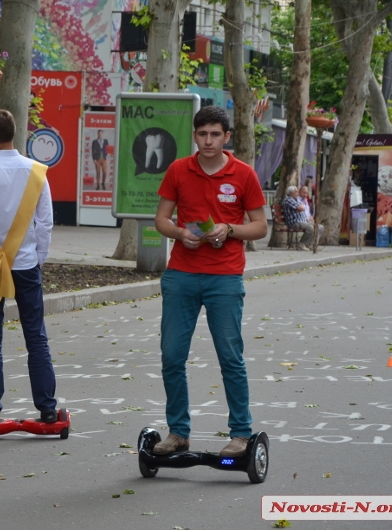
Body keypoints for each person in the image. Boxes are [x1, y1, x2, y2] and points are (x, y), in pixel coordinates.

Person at [153, 106, 267, 458]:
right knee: (172, 356)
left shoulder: (244, 174)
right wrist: (179, 233)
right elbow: (161, 219)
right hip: (181, 276)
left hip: (225, 278)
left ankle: (241, 433)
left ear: (227, 136)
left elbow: (260, 227)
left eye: (215, 134)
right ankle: (178, 433)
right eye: (202, 134)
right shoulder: (178, 170)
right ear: (195, 135)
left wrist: (229, 230)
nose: (208, 141)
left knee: (230, 357)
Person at [0, 109, 57, 425]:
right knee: (36, 335)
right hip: (27, 264)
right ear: (14, 133)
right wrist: (39, 256)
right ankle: (46, 407)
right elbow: (45, 221)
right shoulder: (36, 171)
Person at [283, 185, 323, 251]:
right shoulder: (288, 199)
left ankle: (311, 245)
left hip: (303, 221)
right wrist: (299, 208)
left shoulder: (295, 199)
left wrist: (299, 208)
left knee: (320, 227)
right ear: (290, 193)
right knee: (310, 228)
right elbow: (301, 207)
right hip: (294, 222)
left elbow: (302, 208)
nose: (297, 193)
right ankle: (301, 244)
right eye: (296, 192)